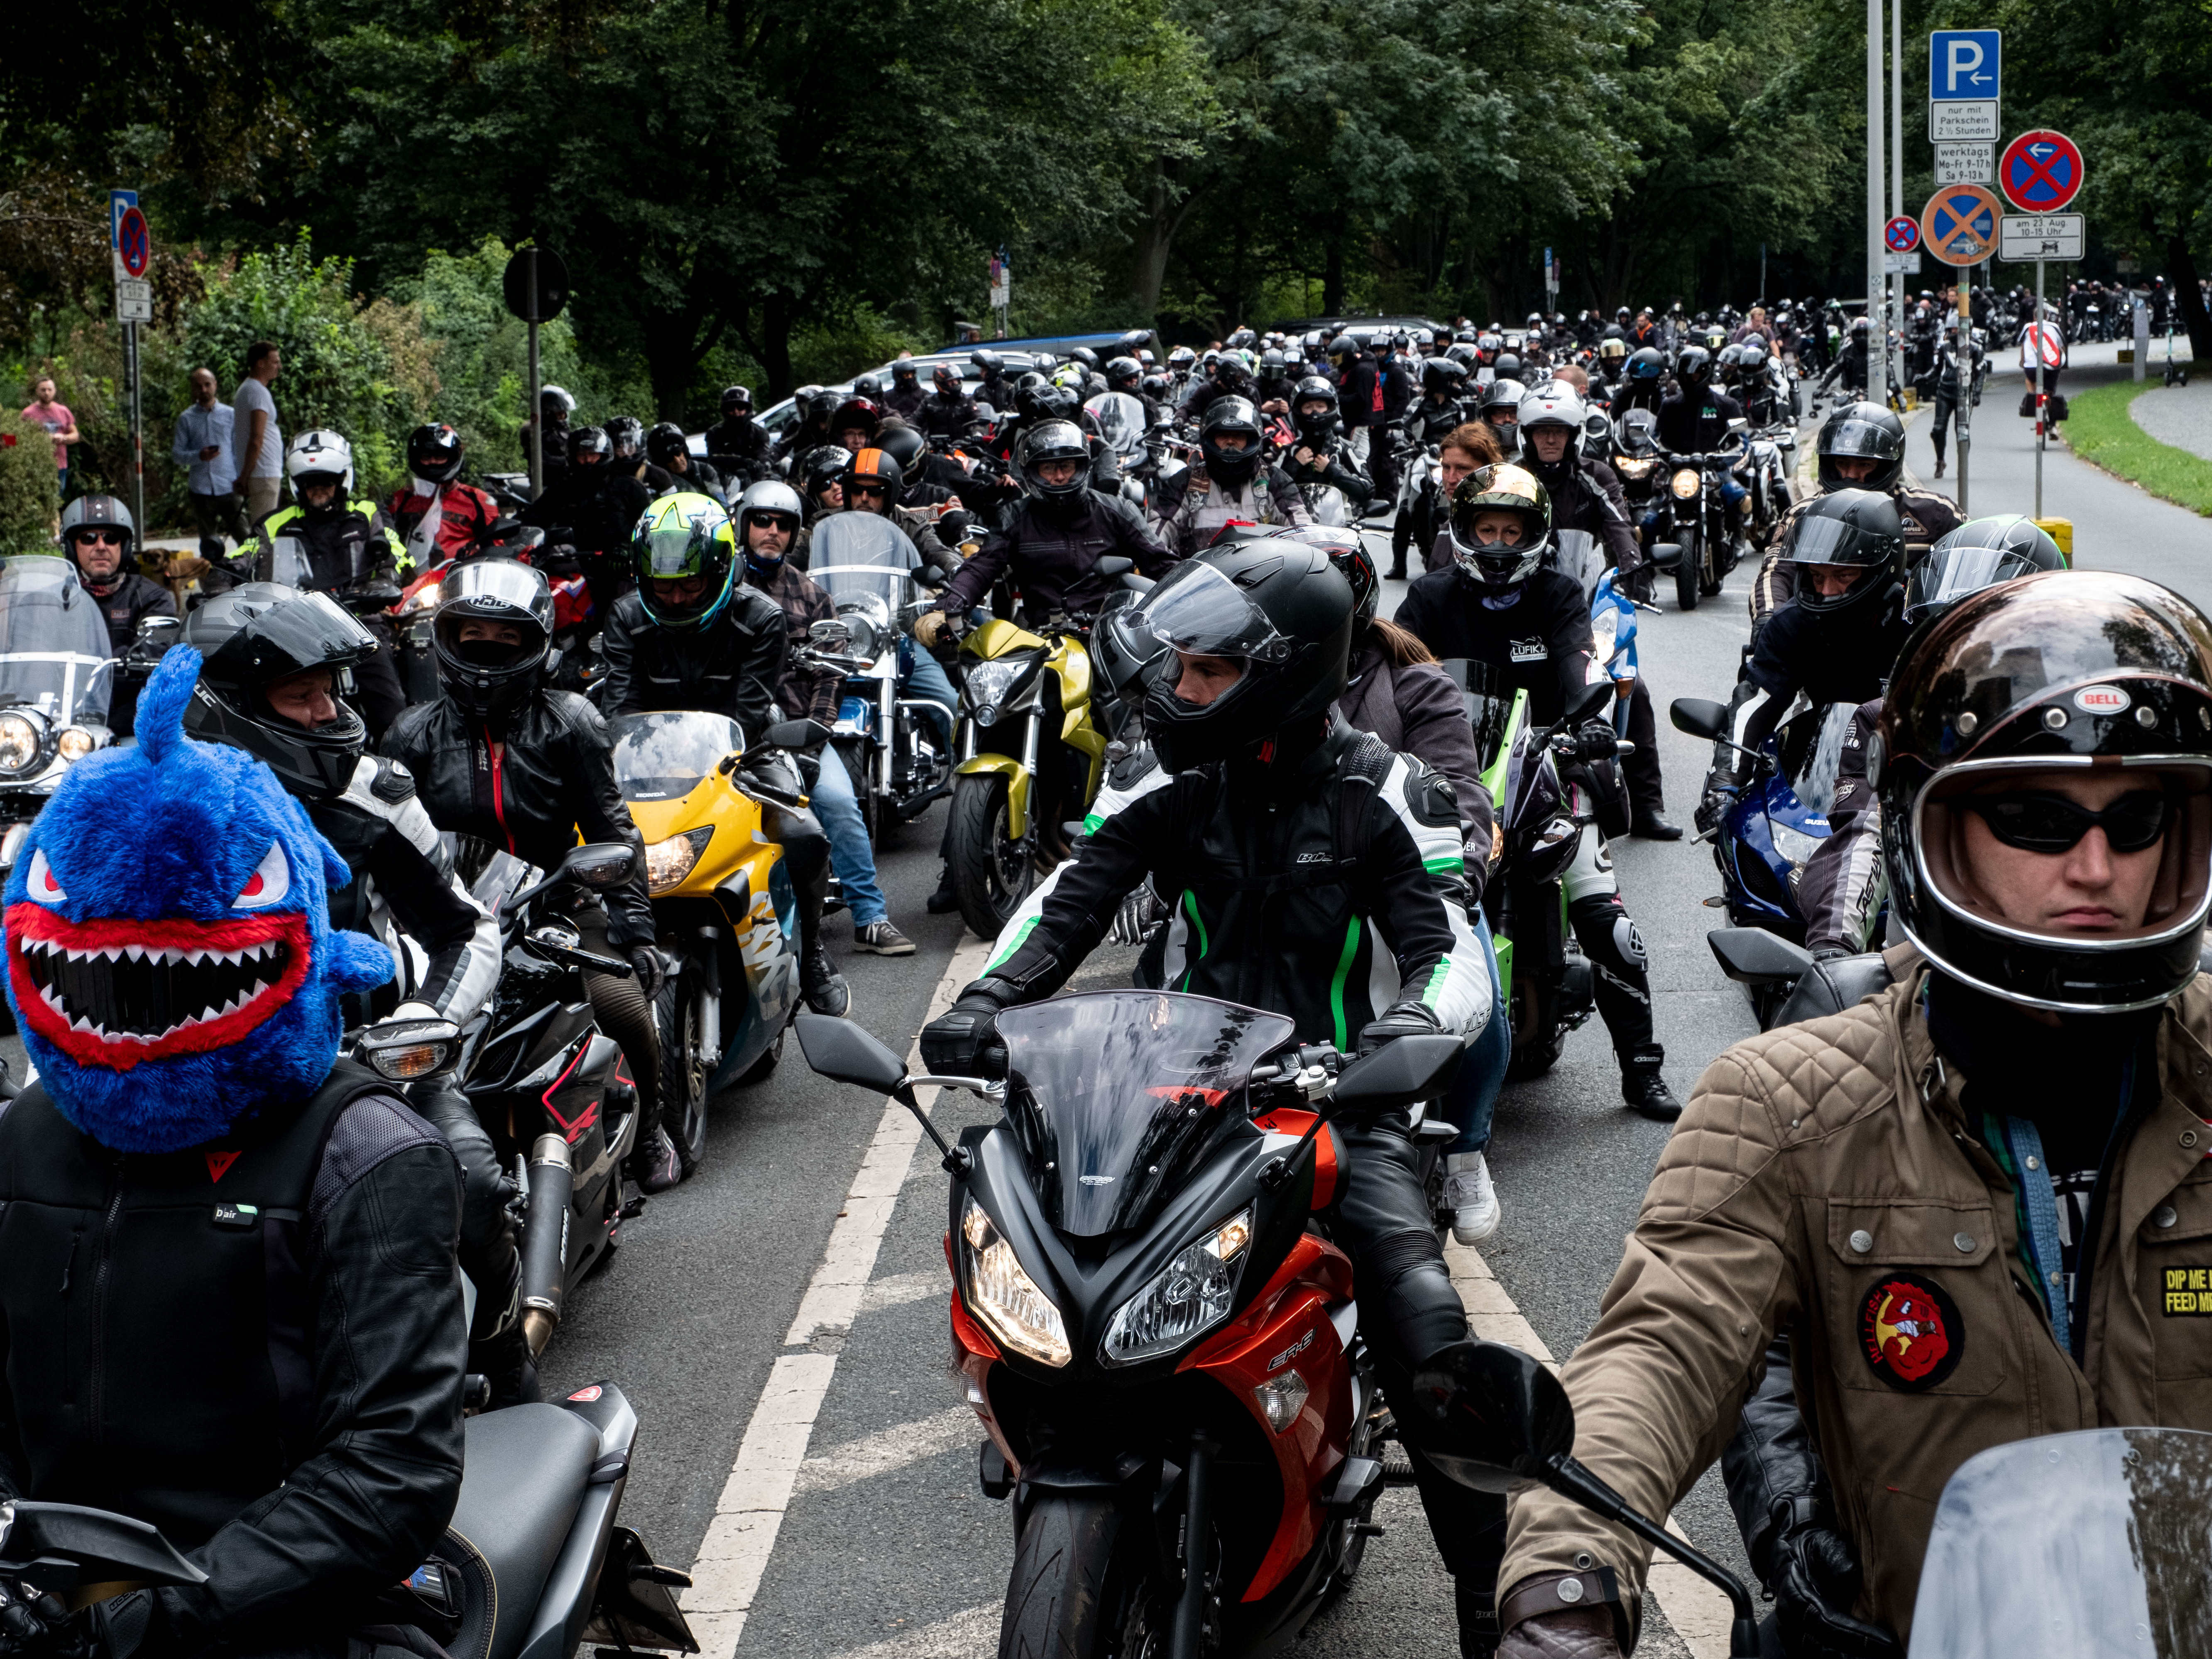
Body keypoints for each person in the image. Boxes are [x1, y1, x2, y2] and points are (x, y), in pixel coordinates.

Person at [1494, 568, 2212, 1658]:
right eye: (2036, 815)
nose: (2098, 865)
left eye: (2139, 816)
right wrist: (1565, 1583)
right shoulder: (1784, 1102)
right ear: (1939, 829)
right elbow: (1657, 1347)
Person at [921, 540, 1507, 1657]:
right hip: (1179, 1089)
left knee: (1423, 1322)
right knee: (1044, 1257)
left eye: (1206, 671)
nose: (1180, 690)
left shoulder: (1387, 792)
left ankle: (1494, 1599)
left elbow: (1449, 952)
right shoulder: (1167, 777)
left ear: (1284, 672)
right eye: (1181, 667)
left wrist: (1400, 1040)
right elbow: (1071, 896)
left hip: (1341, 1101)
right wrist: (992, 996)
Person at [0, 647, 465, 1659]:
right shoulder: (25, 1138)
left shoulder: (366, 1152)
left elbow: (386, 1473)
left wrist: (143, 1626)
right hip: (52, 1597)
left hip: (295, 1613)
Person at [178, 585, 530, 1408]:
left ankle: (512, 1367)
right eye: (303, 695)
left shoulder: (371, 794)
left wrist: (424, 1023)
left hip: (370, 1067)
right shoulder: (158, 810)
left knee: (471, 1188)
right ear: (228, 706)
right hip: (202, 1081)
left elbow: (465, 927)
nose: (328, 712)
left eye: (333, 689)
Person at [380, 558, 689, 1192]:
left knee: (624, 1005)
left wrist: (635, 930)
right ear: (446, 640)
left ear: (536, 645)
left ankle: (653, 1131)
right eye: (473, 639)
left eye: (506, 641)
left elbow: (611, 830)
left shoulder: (571, 722)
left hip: (554, 904)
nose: (488, 654)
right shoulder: (411, 734)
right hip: (443, 916)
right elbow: (380, 839)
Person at [1397, 465, 1684, 1120]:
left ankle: (1642, 1070)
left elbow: (1579, 663)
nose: (1499, 544)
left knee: (1605, 920)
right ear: (1465, 533)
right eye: (1487, 530)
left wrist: (1586, 725)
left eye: (1512, 531)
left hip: (1546, 767)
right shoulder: (1430, 598)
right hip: (1448, 773)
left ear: (1535, 535)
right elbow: (1397, 674)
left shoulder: (1557, 593)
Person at [601, 493, 849, 1017]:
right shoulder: (625, 616)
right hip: (648, 752)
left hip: (745, 741)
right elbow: (620, 705)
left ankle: (813, 954)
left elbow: (751, 708)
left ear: (720, 571)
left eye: (690, 585)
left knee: (806, 833)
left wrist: (715, 757)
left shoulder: (761, 617)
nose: (675, 599)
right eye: (663, 586)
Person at [1794, 516, 2068, 961]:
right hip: (1932, 970)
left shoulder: (2088, 726)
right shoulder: (1891, 723)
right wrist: (1832, 948)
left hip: (2080, 958)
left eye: (1986, 632)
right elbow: (1866, 836)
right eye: (1944, 630)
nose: (1963, 650)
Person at [736, 479, 913, 958]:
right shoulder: (721, 590)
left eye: (783, 525)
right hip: (729, 736)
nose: (771, 531)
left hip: (797, 733)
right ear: (744, 525)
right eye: (762, 521)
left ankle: (871, 918)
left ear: (795, 535)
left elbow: (832, 678)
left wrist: (813, 733)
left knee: (840, 805)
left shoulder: (813, 596)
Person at [1698, 489, 1912, 853]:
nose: (1826, 590)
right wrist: (1724, 783)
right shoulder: (1792, 624)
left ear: (1881, 569)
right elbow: (1756, 701)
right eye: (1816, 576)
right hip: (1824, 766)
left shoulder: (1916, 621)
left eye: (1843, 575)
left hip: (1904, 769)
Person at [1515, 384, 1675, 838]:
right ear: (1527, 435)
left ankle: (1646, 806)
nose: (1551, 440)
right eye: (1542, 432)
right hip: (1521, 604)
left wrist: (1633, 572)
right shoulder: (1513, 478)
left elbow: (1619, 525)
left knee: (1632, 688)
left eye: (1559, 432)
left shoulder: (1596, 476)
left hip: (1582, 604)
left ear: (1574, 435)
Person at [237, 430, 409, 734]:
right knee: (254, 708)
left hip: (360, 627)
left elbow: (399, 556)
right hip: (292, 629)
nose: (319, 489)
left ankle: (398, 774)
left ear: (342, 480)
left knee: (392, 714)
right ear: (298, 485)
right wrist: (219, 582)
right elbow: (240, 559)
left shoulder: (368, 514)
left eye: (327, 481)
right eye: (310, 483)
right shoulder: (275, 522)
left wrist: (385, 580)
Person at [1749, 403, 1960, 623]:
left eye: (1864, 464)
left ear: (1888, 464)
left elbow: (1979, 566)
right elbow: (1776, 574)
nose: (1851, 475)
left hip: (1911, 639)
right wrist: (1768, 618)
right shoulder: (1803, 514)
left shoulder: (1937, 513)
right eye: (1842, 463)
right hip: (1826, 637)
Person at [57, 494, 175, 737]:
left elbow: (157, 650)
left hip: (125, 726)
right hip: (58, 718)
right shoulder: (54, 598)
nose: (101, 546)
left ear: (124, 546)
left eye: (111, 538)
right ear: (71, 546)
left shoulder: (151, 597)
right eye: (89, 538)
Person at [519, 423, 653, 622]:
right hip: (572, 567)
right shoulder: (561, 490)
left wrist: (629, 549)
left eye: (593, 455)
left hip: (619, 570)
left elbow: (651, 528)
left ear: (605, 455)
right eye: (582, 455)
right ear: (573, 457)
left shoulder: (630, 488)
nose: (588, 461)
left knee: (621, 613)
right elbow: (530, 520)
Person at [1149, 396, 1311, 552]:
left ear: (1253, 440)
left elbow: (1301, 529)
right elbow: (1157, 530)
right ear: (1210, 439)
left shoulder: (1276, 480)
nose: (1231, 443)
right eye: (1223, 436)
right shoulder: (1184, 482)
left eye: (1239, 436)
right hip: (1199, 576)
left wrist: (1311, 554)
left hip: (1262, 576)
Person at [387, 422, 502, 568]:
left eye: (440, 456)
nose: (433, 462)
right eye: (426, 457)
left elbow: (496, 549)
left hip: (460, 579)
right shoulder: (401, 499)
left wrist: (477, 554)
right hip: (410, 580)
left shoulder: (478, 500)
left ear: (454, 457)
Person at [1408, 422, 1504, 578]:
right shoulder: (1451, 524)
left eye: (1462, 469)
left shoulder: (1500, 527)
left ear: (1488, 472)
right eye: (1446, 468)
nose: (1451, 479)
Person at [169, 367, 246, 559]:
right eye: (198, 386)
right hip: (201, 490)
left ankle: (250, 575)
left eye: (207, 384)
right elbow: (177, 455)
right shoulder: (186, 418)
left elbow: (239, 451)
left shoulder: (231, 415)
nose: (203, 389)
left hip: (229, 486)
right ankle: (214, 582)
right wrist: (198, 456)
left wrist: (243, 479)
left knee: (245, 537)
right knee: (209, 544)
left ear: (215, 386)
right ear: (193, 389)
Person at [1282, 376, 1374, 514]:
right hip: (1297, 521)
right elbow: (1269, 489)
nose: (1314, 412)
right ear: (1298, 411)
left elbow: (1368, 489)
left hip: (1338, 524)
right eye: (1308, 407)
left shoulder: (1345, 449)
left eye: (1320, 406)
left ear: (1330, 408)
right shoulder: (1291, 451)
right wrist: (1294, 465)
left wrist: (1333, 470)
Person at [231, 341, 284, 525]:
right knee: (265, 530)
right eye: (275, 362)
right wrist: (245, 475)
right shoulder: (257, 391)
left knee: (264, 527)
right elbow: (256, 438)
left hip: (262, 472)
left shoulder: (251, 389)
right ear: (261, 363)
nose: (280, 367)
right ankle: (263, 556)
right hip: (263, 473)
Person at [702, 385, 774, 486]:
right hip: (725, 479)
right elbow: (713, 458)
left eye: (740, 408)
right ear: (725, 411)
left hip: (754, 478)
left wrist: (759, 465)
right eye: (731, 408)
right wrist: (742, 461)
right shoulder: (714, 433)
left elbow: (764, 457)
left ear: (748, 409)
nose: (736, 412)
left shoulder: (759, 433)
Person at [20, 374, 79, 495]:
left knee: (57, 500)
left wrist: (63, 438)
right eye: (43, 390)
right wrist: (42, 439)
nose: (47, 393)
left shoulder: (63, 411)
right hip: (37, 465)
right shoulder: (28, 413)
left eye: (50, 390)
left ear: (55, 391)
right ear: (37, 391)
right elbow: (20, 438)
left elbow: (76, 436)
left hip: (60, 465)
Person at [647, 420, 727, 504]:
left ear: (685, 451)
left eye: (678, 453)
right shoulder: (656, 480)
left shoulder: (704, 470)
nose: (677, 461)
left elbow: (721, 501)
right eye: (669, 458)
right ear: (661, 463)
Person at [914, 365, 976, 440]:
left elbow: (978, 419)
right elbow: (915, 420)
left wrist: (978, 433)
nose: (955, 384)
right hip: (935, 447)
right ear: (941, 382)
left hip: (964, 446)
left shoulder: (967, 400)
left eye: (957, 380)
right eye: (951, 381)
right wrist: (909, 432)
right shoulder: (929, 401)